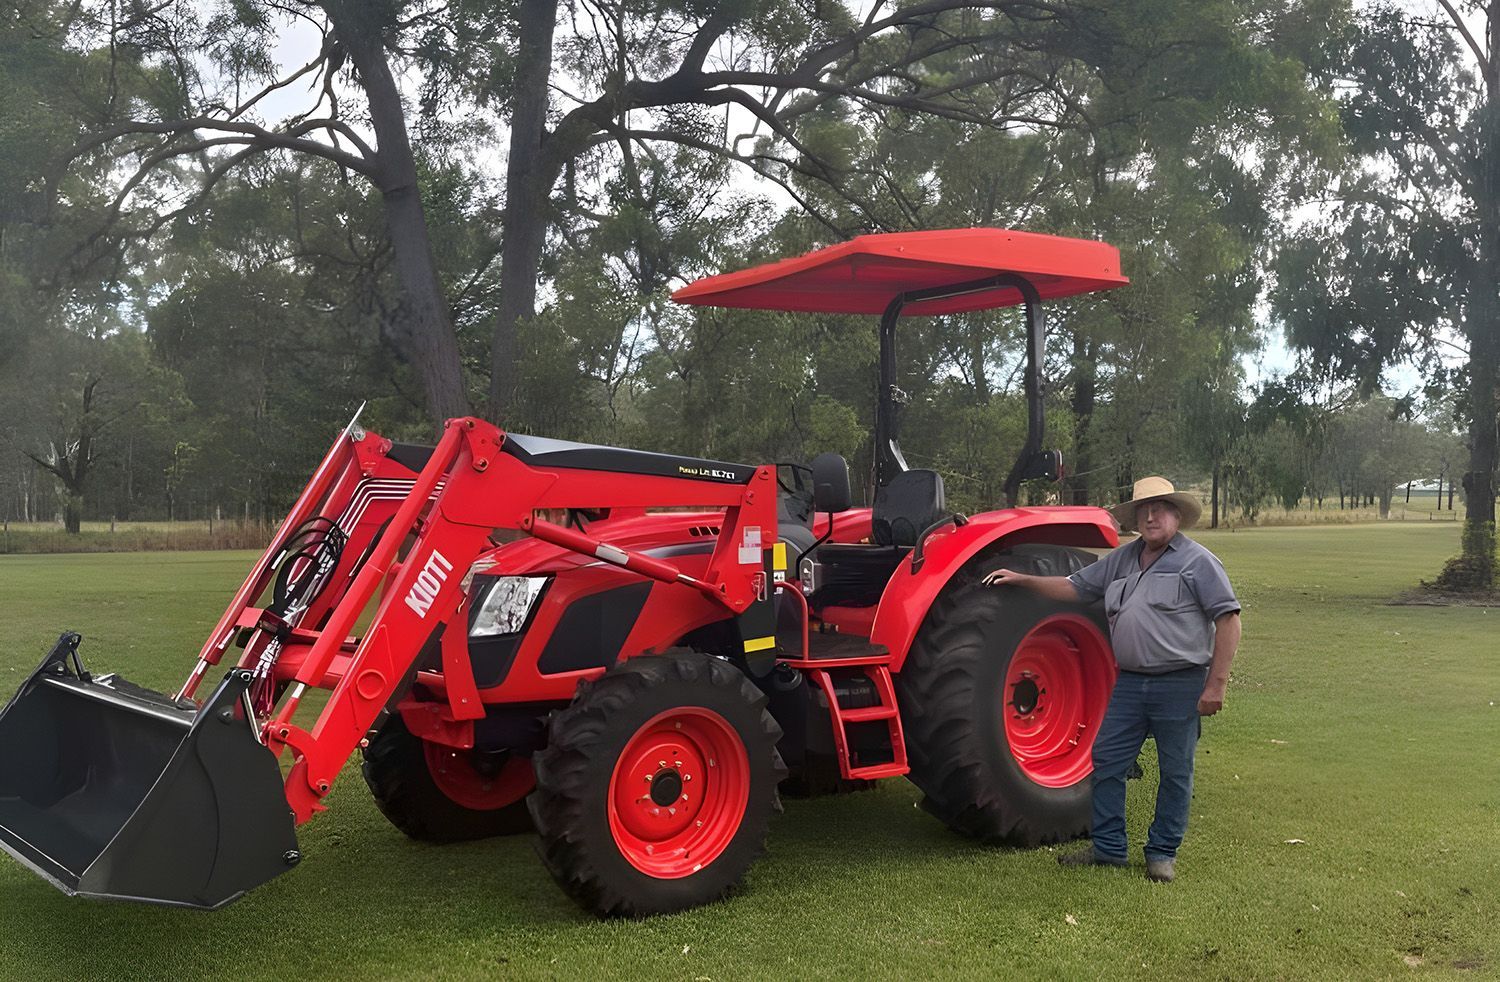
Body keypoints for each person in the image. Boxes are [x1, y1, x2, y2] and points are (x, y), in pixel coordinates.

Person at [983, 476, 1241, 882]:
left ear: (1176, 514)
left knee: (1176, 772)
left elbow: (1228, 620)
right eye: (1143, 510)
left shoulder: (1198, 562)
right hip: (1130, 684)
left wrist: (1217, 684)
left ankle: (1162, 853)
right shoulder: (1122, 559)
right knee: (1106, 761)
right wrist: (1024, 580)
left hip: (1180, 683)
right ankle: (1109, 848)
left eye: (1159, 509)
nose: (1151, 517)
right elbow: (1074, 588)